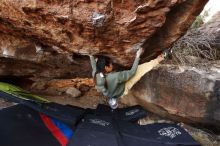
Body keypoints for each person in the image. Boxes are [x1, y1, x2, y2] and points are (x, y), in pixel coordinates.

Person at [89, 48, 166, 109]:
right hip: (123, 89)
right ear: (106, 67)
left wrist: (91, 55)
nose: (112, 64)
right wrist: (137, 56)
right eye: (111, 64)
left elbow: (93, 65)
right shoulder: (115, 76)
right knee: (139, 70)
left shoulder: (95, 73)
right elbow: (132, 72)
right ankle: (159, 59)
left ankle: (112, 98)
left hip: (108, 91)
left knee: (111, 91)